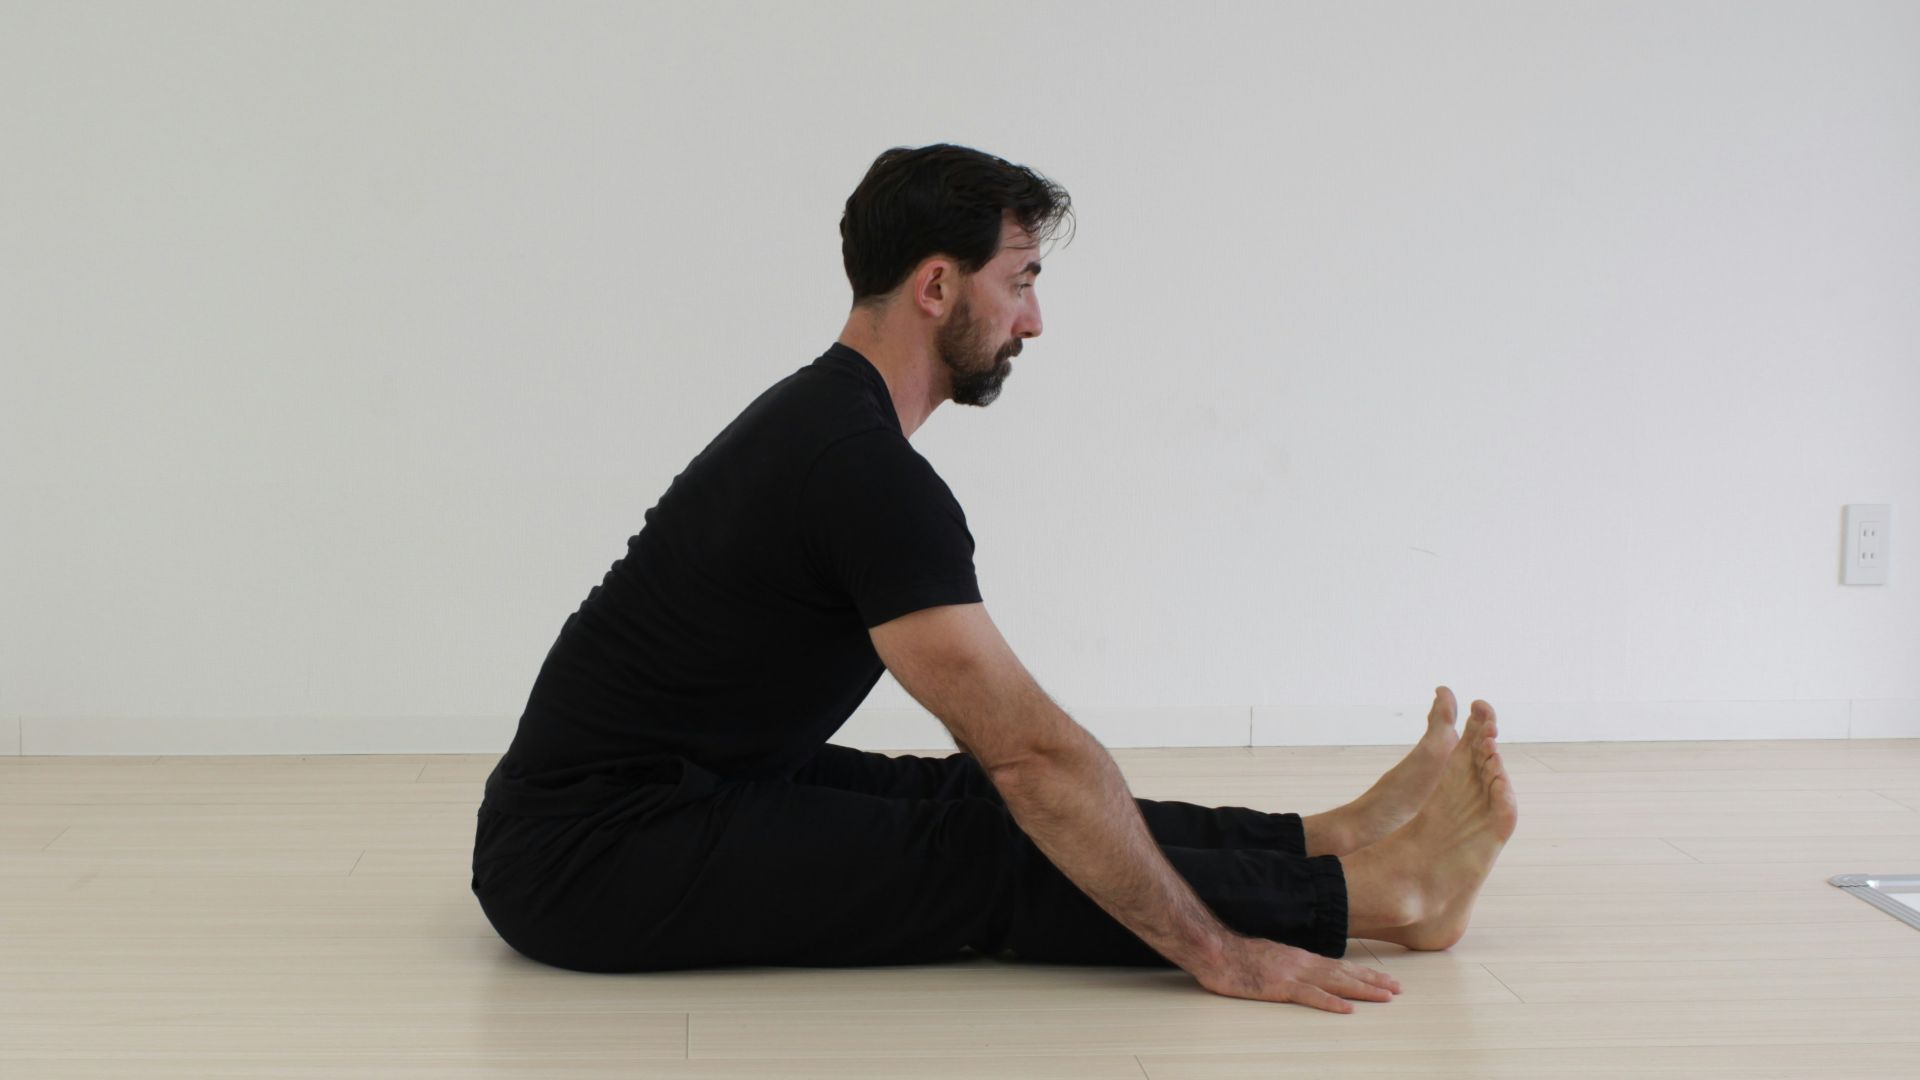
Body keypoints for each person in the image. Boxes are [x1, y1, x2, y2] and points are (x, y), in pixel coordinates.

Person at [471, 143, 1518, 1013]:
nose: (1033, 320)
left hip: (672, 792)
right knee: (988, 843)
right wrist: (1220, 953)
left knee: (960, 794)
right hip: (589, 860)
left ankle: (1324, 843)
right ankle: (1386, 896)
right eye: (1019, 282)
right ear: (937, 287)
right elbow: (1033, 758)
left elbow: (1013, 767)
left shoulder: (826, 420)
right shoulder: (861, 473)